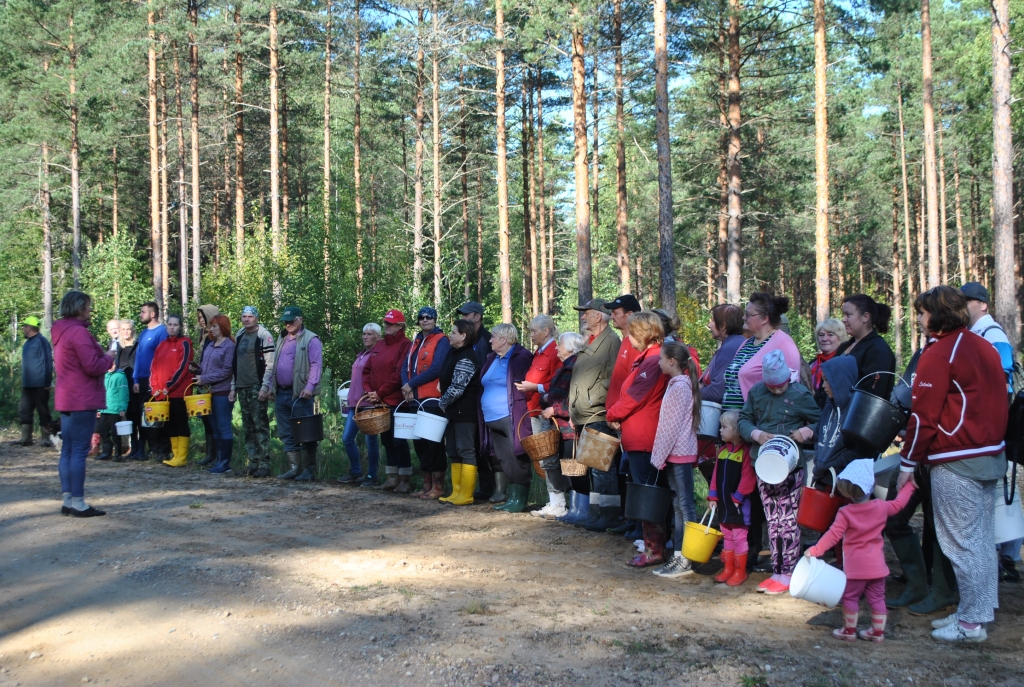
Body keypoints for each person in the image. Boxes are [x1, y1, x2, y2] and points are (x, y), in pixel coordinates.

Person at [899, 285, 1008, 643]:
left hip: (957, 457)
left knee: (962, 543)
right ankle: (976, 612)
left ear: (937, 315)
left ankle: (972, 622)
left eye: (922, 311)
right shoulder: (984, 346)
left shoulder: (941, 352)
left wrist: (906, 462)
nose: (918, 318)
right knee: (979, 540)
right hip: (989, 453)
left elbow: (924, 416)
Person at [722, 293, 802, 572]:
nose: (743, 318)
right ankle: (748, 546)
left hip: (763, 431)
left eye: (748, 314)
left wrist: (763, 429)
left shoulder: (783, 343)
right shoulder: (748, 343)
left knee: (763, 493)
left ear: (764, 318)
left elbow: (790, 391)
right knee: (744, 490)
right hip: (739, 428)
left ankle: (768, 554)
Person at [805, 460, 918, 642]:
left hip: (855, 569)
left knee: (850, 597)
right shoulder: (881, 507)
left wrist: (815, 550)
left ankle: (849, 630)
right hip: (877, 567)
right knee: (877, 597)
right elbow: (898, 504)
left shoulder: (845, 512)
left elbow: (832, 536)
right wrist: (909, 486)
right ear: (870, 484)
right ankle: (878, 631)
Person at [738, 349, 820, 594]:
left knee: (788, 522)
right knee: (773, 522)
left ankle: (789, 571)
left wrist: (807, 432)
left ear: (788, 379)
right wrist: (757, 434)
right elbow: (744, 419)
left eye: (780, 386)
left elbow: (821, 420)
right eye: (771, 386)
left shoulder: (800, 395)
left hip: (790, 468)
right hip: (763, 466)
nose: (776, 390)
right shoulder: (756, 393)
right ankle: (777, 570)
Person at [959, 282, 1020, 583]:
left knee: (999, 488)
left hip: (994, 422)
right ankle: (1005, 553)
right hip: (988, 422)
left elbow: (1003, 373)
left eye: (969, 301)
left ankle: (1007, 554)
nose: (964, 306)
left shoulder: (992, 333)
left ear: (983, 305)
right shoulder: (974, 334)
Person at [607, 312, 669, 567]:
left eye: (632, 333)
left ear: (643, 334)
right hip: (639, 435)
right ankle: (654, 547)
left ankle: (655, 550)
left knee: (648, 496)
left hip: (645, 437)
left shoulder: (653, 361)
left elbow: (634, 396)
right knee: (647, 493)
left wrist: (612, 413)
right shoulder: (648, 359)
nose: (628, 338)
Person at [52, 290, 116, 517]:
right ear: (79, 308)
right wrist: (109, 356)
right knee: (79, 450)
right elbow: (92, 366)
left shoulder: (61, 331)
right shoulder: (78, 333)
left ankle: (68, 499)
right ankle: (78, 502)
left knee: (68, 450)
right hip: (82, 397)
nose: (90, 310)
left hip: (66, 397)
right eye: (88, 306)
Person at [649, 340, 703, 578]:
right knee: (678, 503)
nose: (659, 362)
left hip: (679, 452)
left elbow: (670, 427)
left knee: (685, 504)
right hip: (675, 452)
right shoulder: (677, 384)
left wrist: (658, 456)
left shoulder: (679, 387)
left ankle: (686, 557)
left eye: (661, 359)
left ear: (672, 361)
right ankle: (680, 554)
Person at [569, 299, 622, 531]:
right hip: (584, 414)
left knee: (603, 468)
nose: (583, 318)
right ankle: (596, 513)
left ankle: (609, 516)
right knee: (592, 467)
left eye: (586, 313)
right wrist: (573, 407)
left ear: (599, 316)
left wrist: (593, 399)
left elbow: (614, 377)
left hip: (598, 413)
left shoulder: (611, 341)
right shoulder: (590, 342)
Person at [479, 324, 535, 513]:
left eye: (493, 336)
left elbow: (527, 384)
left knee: (516, 456)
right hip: (492, 418)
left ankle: (520, 500)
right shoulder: (491, 358)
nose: (490, 340)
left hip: (511, 415)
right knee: (503, 458)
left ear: (504, 339)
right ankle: (512, 498)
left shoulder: (521, 356)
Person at [515, 315, 565, 518]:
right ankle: (552, 500)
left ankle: (559, 502)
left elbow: (559, 383)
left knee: (550, 457)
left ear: (546, 331)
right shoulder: (539, 352)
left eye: (534, 331)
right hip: (535, 411)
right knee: (543, 459)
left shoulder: (555, 351)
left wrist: (535, 387)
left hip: (547, 412)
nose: (531, 334)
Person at [401, 307, 451, 499]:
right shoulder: (416, 340)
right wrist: (405, 386)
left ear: (435, 319)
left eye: (428, 317)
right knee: (419, 443)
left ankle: (438, 486)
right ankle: (426, 484)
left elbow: (437, 367)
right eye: (421, 317)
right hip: (414, 398)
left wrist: (411, 383)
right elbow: (406, 366)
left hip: (431, 398)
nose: (425, 320)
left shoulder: (442, 340)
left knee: (433, 443)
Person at [271, 306, 323, 482]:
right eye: (286, 321)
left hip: (300, 394)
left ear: (300, 319)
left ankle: (309, 471)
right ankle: (294, 468)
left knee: (306, 432)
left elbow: (316, 364)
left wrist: (310, 387)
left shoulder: (311, 339)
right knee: (286, 432)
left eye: (291, 321)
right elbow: (274, 364)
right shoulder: (282, 338)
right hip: (281, 392)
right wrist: (270, 387)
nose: (288, 324)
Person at [363, 309, 413, 491]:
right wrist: (370, 392)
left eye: (390, 324)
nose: (386, 326)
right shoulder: (380, 345)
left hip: (397, 401)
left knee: (399, 440)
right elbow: (367, 370)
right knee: (386, 439)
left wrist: (380, 392)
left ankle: (405, 479)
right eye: (385, 323)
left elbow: (398, 374)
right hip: (379, 400)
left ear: (400, 326)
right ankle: (391, 478)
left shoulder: (406, 345)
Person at [541, 332, 587, 523]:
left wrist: (555, 408)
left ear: (570, 347)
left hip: (570, 427)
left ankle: (581, 510)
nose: (557, 347)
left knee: (574, 468)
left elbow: (576, 399)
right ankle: (575, 508)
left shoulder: (575, 368)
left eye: (560, 344)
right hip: (560, 426)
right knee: (567, 467)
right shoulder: (566, 367)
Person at [708, 411, 756, 586]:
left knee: (739, 537)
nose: (720, 430)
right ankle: (728, 568)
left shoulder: (746, 453)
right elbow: (714, 477)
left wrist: (737, 498)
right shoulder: (722, 451)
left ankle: (740, 571)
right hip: (723, 503)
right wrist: (712, 496)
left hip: (739, 506)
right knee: (726, 535)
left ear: (736, 430)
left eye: (724, 427)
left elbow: (748, 478)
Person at [437, 319, 483, 506]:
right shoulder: (453, 353)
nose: (450, 334)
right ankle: (456, 492)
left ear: (463, 336)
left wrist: (443, 402)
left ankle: (466, 494)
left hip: (465, 411)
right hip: (453, 412)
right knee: (453, 451)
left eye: (454, 332)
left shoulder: (467, 357)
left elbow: (457, 387)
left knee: (466, 450)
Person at [231, 306, 277, 478]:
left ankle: (265, 464)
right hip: (242, 386)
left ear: (256, 317)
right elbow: (235, 363)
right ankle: (253, 463)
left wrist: (265, 386)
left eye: (250, 316)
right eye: (244, 316)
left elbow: (270, 363)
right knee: (248, 427)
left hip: (257, 386)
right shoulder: (240, 334)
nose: (246, 319)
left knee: (260, 425)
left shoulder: (264, 335)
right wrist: (233, 387)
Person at [811, 356, 868, 485]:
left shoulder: (856, 412)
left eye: (827, 380)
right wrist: (819, 460)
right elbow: (818, 436)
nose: (823, 385)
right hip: (821, 477)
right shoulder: (828, 406)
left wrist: (829, 464)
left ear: (840, 381)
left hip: (843, 482)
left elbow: (859, 451)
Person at [337, 323, 382, 486]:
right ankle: (356, 471)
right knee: (347, 438)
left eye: (369, 334)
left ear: (378, 337)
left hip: (369, 403)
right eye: (364, 334)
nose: (365, 337)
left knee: (371, 441)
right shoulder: (362, 354)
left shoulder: (377, 355)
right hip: (354, 404)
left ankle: (372, 476)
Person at [192, 314, 236, 474]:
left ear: (223, 327)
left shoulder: (229, 346)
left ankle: (225, 463)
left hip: (222, 392)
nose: (211, 329)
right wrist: (197, 370)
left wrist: (204, 378)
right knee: (215, 427)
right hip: (208, 392)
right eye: (211, 326)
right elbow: (205, 366)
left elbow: (226, 371)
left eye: (214, 326)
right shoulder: (210, 345)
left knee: (223, 426)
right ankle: (218, 461)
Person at [149, 315, 194, 469]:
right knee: (169, 424)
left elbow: (183, 368)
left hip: (179, 392)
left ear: (180, 327)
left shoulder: (185, 343)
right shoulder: (161, 345)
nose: (172, 327)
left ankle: (182, 457)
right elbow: (154, 368)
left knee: (180, 423)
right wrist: (155, 388)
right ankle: (175, 455)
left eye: (175, 325)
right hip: (162, 394)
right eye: (169, 324)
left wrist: (170, 385)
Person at [835, 294, 896, 399]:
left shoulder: (878, 350)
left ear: (865, 317)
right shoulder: (844, 346)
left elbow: (870, 394)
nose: (843, 319)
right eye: (844, 315)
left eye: (848, 315)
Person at [132, 301, 168, 460]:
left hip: (156, 381)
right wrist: (135, 378)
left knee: (157, 415)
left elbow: (163, 358)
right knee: (144, 416)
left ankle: (163, 449)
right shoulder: (143, 333)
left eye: (143, 312)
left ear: (152, 314)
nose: (140, 314)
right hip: (142, 380)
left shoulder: (162, 332)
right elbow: (138, 357)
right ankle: (151, 448)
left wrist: (159, 381)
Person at [192, 304, 222, 467]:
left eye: (204, 318)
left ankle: (219, 455)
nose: (201, 321)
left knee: (216, 420)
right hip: (203, 381)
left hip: (215, 384)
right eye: (199, 318)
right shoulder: (203, 335)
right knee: (206, 418)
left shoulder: (216, 336)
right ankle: (210, 454)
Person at [18, 316, 54, 447]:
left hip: (40, 384)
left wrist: (47, 382)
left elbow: (48, 362)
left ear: (29, 327)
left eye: (24, 326)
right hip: (27, 384)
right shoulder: (27, 343)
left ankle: (46, 438)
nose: (23, 328)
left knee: (42, 410)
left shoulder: (41, 341)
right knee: (24, 410)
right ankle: (26, 438)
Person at [699, 305, 745, 405]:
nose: (709, 325)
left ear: (723, 326)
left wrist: (694, 391)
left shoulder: (729, 350)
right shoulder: (736, 344)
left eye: (712, 321)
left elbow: (716, 392)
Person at [95, 358, 129, 461]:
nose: (111, 366)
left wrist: (122, 407)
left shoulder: (120, 377)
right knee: (103, 431)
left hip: (115, 409)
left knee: (115, 432)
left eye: (113, 364)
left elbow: (123, 393)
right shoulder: (103, 376)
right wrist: (98, 409)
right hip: (103, 408)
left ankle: (118, 454)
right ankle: (106, 452)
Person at [115, 320, 139, 457]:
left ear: (133, 330)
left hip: (135, 383)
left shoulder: (138, 345)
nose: (126, 332)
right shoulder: (118, 346)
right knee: (126, 416)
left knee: (136, 416)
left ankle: (138, 447)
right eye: (123, 329)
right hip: (122, 385)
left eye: (128, 329)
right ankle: (126, 447)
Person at [810, 318, 846, 405]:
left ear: (840, 337)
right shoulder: (812, 364)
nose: (824, 339)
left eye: (830, 335)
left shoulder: (843, 363)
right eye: (821, 335)